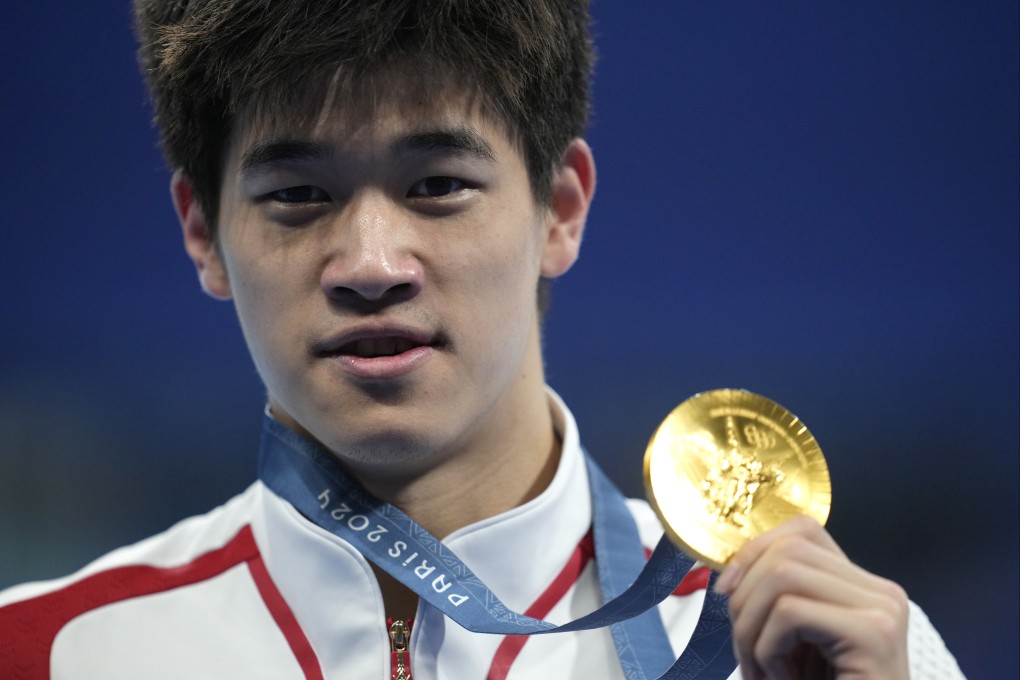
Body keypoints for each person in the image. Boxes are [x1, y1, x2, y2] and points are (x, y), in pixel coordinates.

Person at [0, 2, 965, 678]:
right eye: (298, 194)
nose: (371, 262)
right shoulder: (43, 652)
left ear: (560, 208)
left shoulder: (822, 649)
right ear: (202, 232)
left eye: (438, 186)